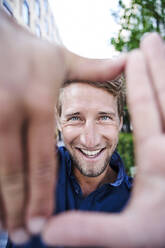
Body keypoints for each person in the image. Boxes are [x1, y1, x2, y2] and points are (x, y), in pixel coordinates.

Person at [0, 6, 165, 248]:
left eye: (104, 118)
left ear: (120, 121)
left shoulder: (149, 203)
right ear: (58, 120)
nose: (90, 139)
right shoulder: (22, 171)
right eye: (75, 117)